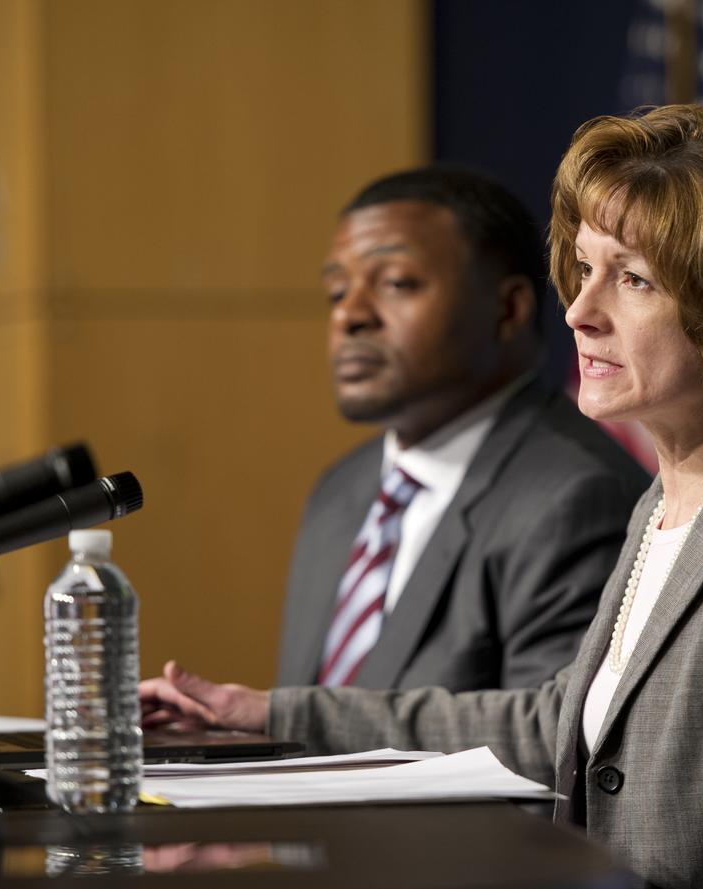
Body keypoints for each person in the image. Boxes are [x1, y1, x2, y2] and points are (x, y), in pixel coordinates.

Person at [142, 105, 703, 889]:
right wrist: (266, 712)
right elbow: (549, 723)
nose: (579, 311)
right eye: (585, 268)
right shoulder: (665, 503)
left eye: (631, 279)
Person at [264, 167, 648, 692]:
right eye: (336, 291)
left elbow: (547, 751)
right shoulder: (338, 491)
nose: (349, 315)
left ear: (508, 309)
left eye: (396, 283)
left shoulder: (576, 496)